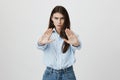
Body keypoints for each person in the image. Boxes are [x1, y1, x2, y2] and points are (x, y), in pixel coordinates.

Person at [37, 5, 81, 80]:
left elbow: (78, 46)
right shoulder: (47, 35)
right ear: (52, 19)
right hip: (50, 74)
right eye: (56, 18)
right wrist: (41, 43)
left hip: (68, 74)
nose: (59, 22)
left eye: (62, 18)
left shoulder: (71, 35)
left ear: (66, 19)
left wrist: (75, 43)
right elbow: (40, 46)